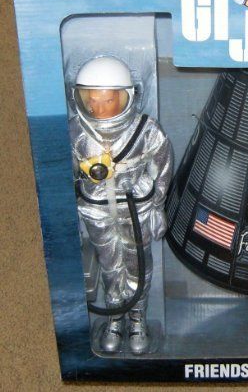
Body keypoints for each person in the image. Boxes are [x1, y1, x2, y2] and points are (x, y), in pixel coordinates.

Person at [69, 56, 173, 354]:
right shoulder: (76, 131)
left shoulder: (145, 130)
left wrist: (155, 202)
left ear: (126, 96)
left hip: (135, 209)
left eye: (107, 101)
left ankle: (137, 318)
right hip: (96, 210)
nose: (99, 109)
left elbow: (162, 168)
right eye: (92, 101)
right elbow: (69, 171)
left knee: (137, 264)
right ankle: (115, 315)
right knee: (109, 263)